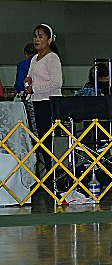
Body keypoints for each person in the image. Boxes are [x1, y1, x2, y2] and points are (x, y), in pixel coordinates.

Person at [23, 24, 63, 178]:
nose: (37, 39)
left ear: (49, 40)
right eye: (35, 36)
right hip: (37, 103)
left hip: (50, 104)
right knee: (42, 141)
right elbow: (31, 78)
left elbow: (56, 83)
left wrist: (35, 88)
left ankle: (57, 176)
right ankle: (48, 174)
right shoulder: (34, 58)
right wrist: (28, 82)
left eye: (41, 36)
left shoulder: (52, 58)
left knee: (50, 142)